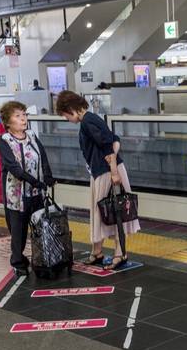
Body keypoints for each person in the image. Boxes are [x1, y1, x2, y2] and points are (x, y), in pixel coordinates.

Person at [55, 91, 139, 270]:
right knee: (103, 212)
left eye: (64, 115)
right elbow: (114, 140)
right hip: (102, 171)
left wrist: (114, 171)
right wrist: (114, 158)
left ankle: (119, 253)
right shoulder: (91, 119)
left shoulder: (87, 122)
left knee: (112, 211)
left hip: (107, 173)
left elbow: (108, 144)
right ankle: (98, 251)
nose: (65, 119)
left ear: (70, 109)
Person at [0, 101, 55, 276]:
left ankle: (42, 257)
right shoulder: (5, 140)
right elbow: (13, 168)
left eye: (24, 114)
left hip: (37, 191)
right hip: (16, 194)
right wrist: (33, 180)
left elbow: (42, 156)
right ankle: (17, 261)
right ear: (8, 122)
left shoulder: (31, 135)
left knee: (39, 225)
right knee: (18, 229)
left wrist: (47, 176)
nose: (23, 118)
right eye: (18, 116)